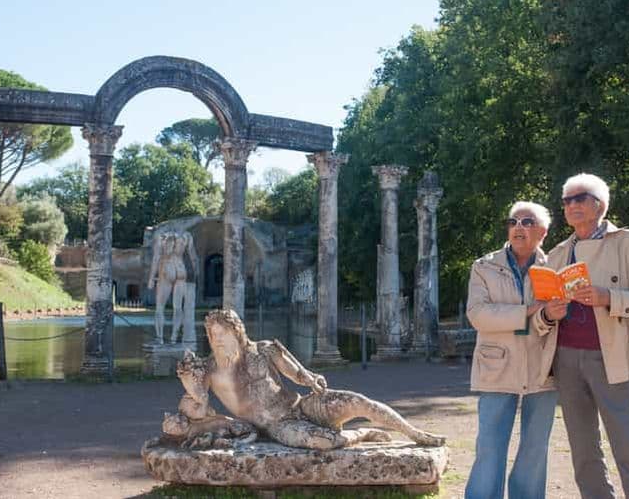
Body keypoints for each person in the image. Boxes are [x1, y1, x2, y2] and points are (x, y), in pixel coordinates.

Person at [533, 173, 629, 499]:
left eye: (579, 198)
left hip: (612, 356)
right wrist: (551, 312)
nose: (571, 205)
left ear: (600, 204)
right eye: (566, 200)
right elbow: (539, 313)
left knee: (627, 446)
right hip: (565, 359)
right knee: (583, 451)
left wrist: (607, 297)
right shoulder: (558, 253)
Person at [180, 309, 446, 450]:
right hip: (276, 427)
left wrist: (310, 379)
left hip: (300, 406)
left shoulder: (262, 349)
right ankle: (362, 434)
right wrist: (191, 387)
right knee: (324, 442)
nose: (217, 340)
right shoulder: (208, 370)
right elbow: (198, 409)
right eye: (212, 335)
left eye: (222, 333)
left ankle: (414, 433)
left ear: (237, 331)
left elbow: (294, 371)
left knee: (359, 402)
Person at [465, 201, 558, 499]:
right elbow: (478, 315)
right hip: (496, 366)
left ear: (542, 232)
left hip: (543, 366)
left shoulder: (555, 269)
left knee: (535, 448)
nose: (518, 227)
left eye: (527, 222)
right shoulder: (483, 267)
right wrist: (528, 311)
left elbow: (554, 318)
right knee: (490, 445)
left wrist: (544, 317)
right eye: (513, 221)